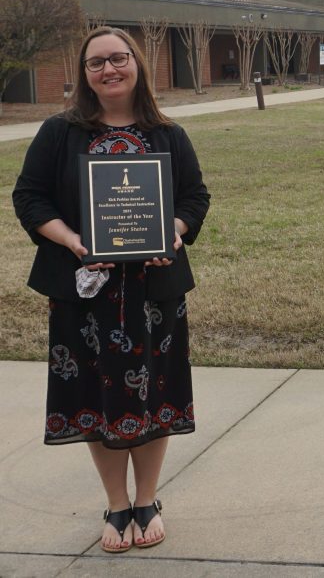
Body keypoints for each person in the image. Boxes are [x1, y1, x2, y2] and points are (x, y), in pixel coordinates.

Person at [12, 27, 210, 552]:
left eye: (118, 58)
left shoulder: (167, 134)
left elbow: (196, 199)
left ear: (137, 63)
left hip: (155, 293)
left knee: (156, 395)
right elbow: (29, 199)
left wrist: (174, 230)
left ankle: (147, 500)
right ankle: (117, 505)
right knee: (96, 399)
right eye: (96, 62)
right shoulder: (59, 132)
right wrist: (75, 242)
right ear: (84, 74)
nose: (109, 69)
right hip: (84, 293)